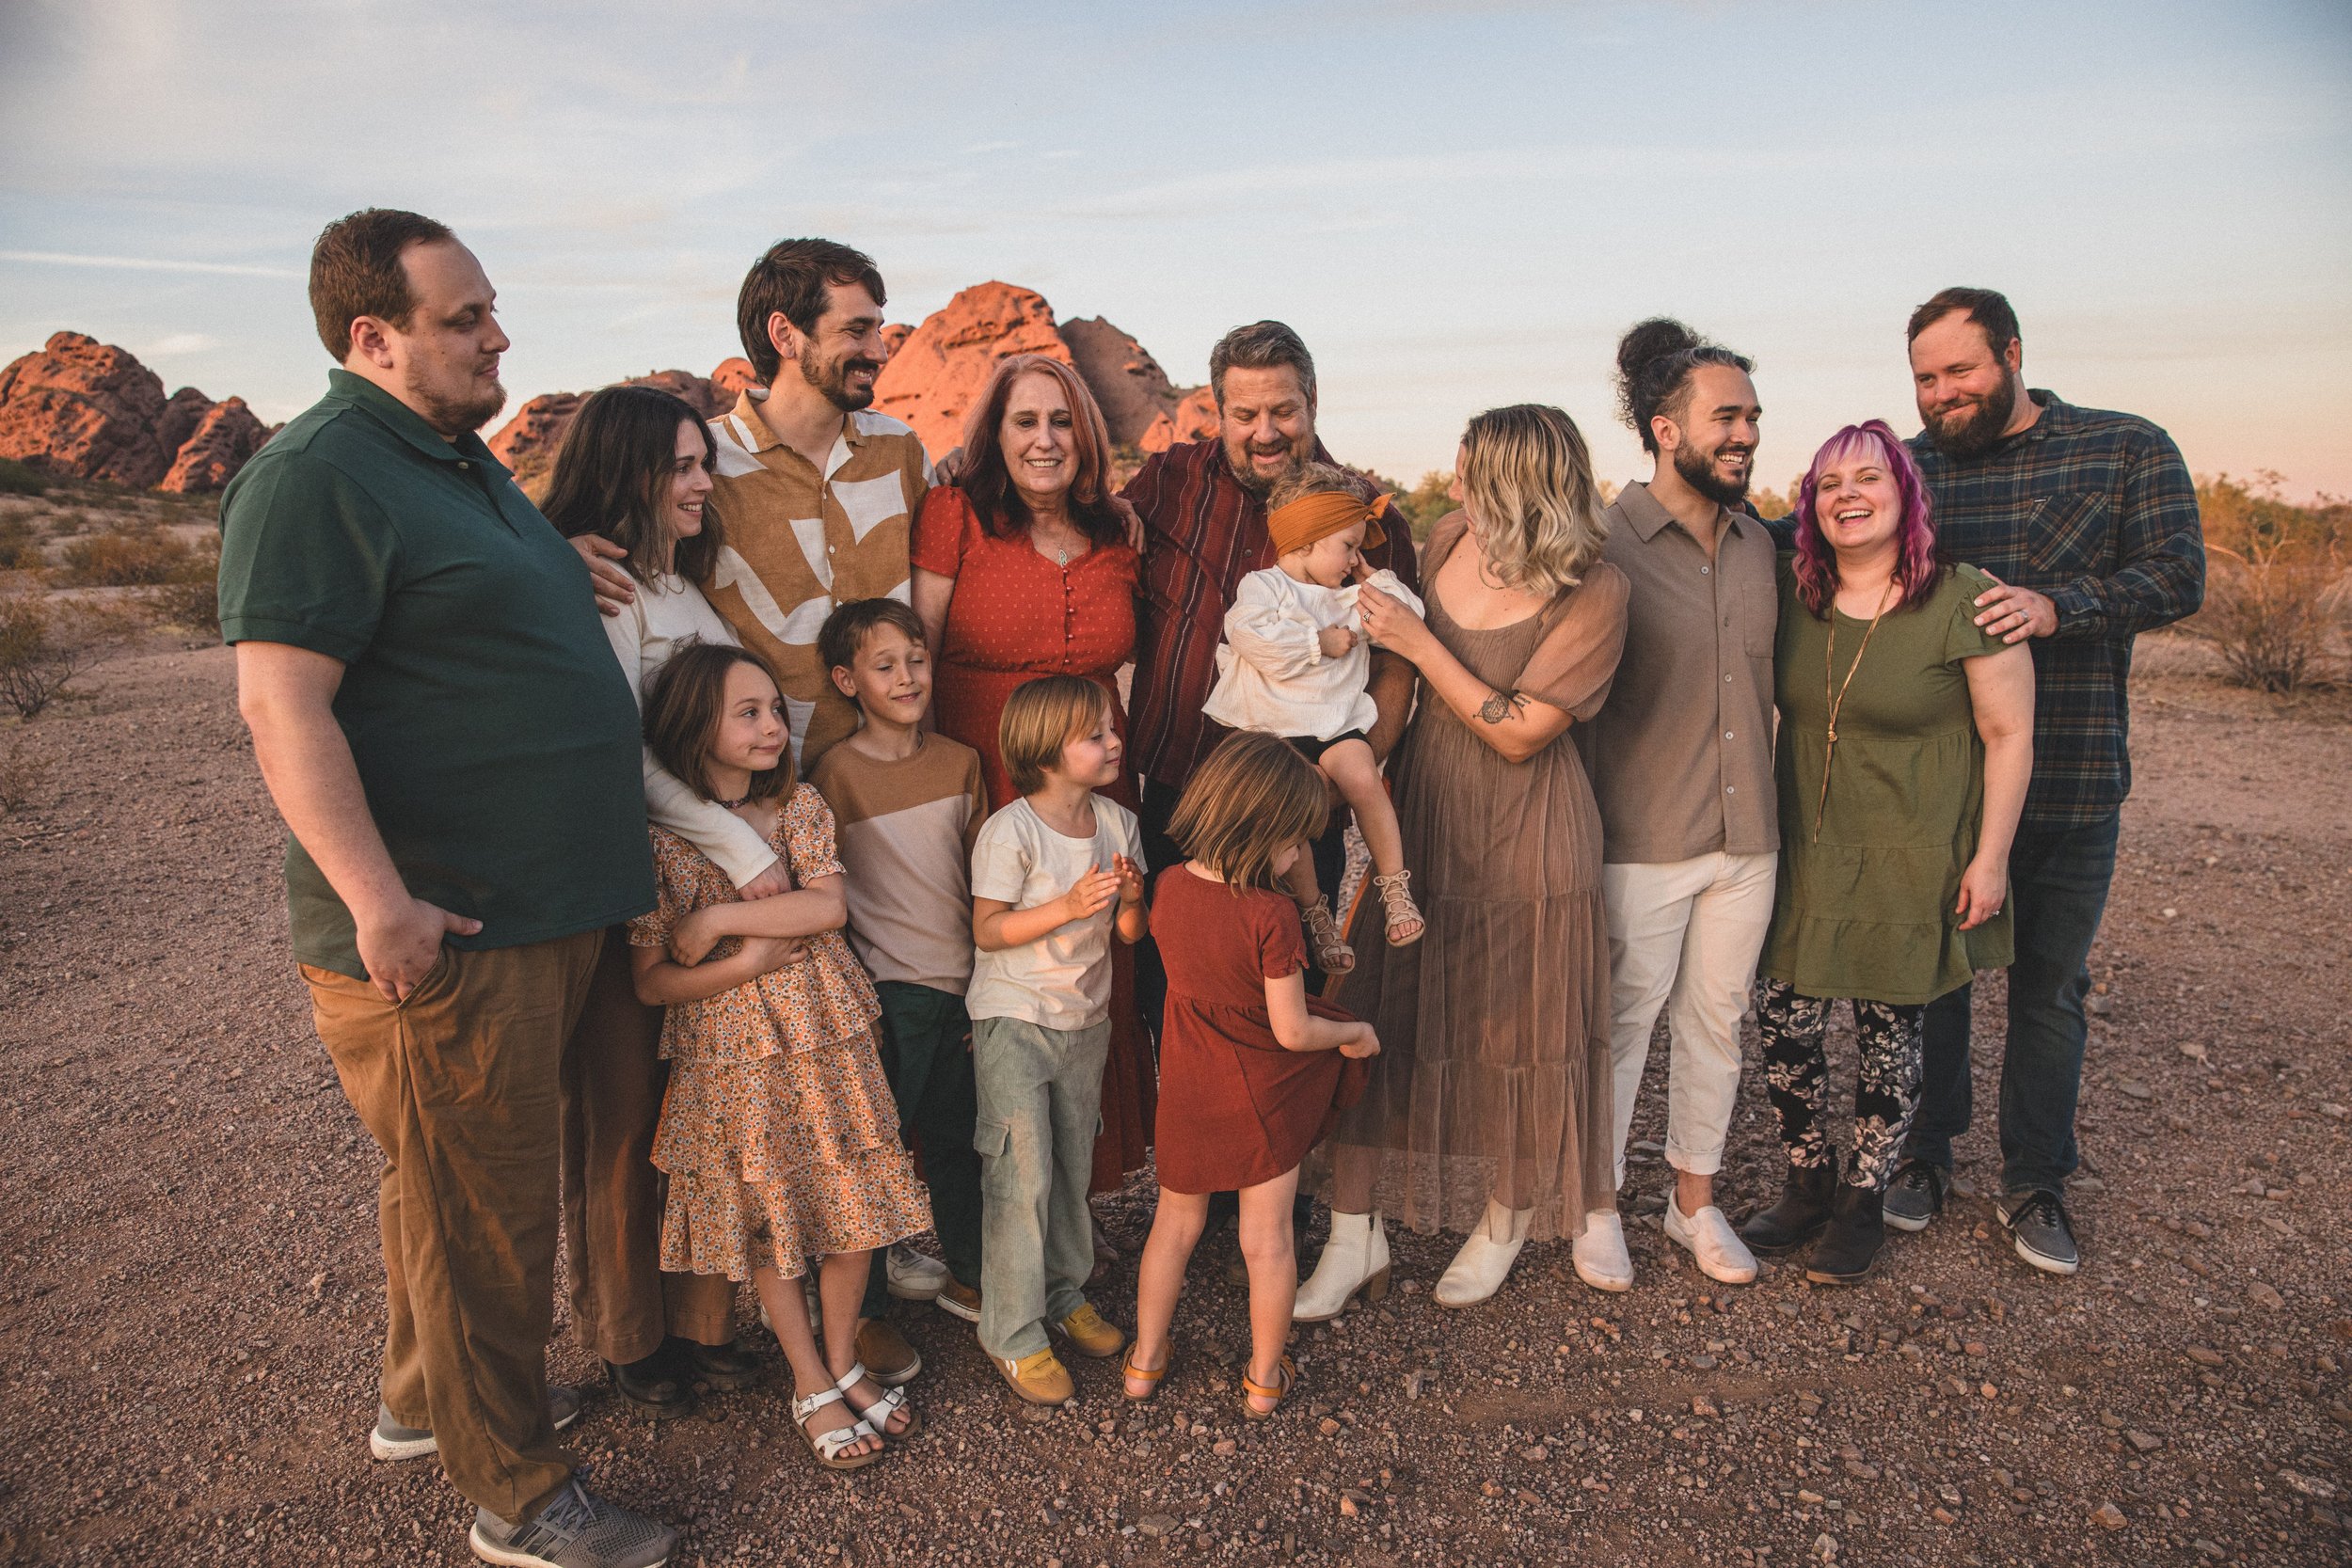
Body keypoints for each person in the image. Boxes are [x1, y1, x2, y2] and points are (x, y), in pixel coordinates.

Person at [218, 208, 675, 1568]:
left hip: (545, 908)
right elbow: (280, 705)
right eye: (465, 318)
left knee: (442, 1181)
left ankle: (425, 1403)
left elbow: (454, 602)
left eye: (491, 309)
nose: (498, 336)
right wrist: (380, 902)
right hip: (455, 924)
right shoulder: (314, 474)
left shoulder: (455, 459)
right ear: (375, 336)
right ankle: (518, 1493)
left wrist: (548, 564)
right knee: (488, 1210)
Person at [1887, 288, 2203, 1276]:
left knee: (2049, 990)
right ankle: (1923, 1153)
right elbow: (1813, 528)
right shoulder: (1908, 470)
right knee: (1933, 984)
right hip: (1942, 791)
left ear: (2013, 353)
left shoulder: (2122, 447)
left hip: (2070, 779)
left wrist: (2060, 606)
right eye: (1926, 378)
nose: (1942, 392)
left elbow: (2178, 574)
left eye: (1960, 370)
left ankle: (2034, 1178)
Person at [1305, 404, 1629, 1316]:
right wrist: (1352, 760)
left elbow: (1523, 730)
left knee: (1519, 1035)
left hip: (1531, 831)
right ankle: (1352, 1233)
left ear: (1521, 488)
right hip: (1424, 810)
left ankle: (1504, 1218)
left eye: (1468, 475)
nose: (1452, 490)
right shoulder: (1449, 537)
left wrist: (1415, 638)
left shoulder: (1595, 588)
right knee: (1376, 1009)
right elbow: (1399, 683)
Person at [1737, 420, 2035, 1285]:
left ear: (1906, 492)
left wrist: (1991, 858)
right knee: (1784, 1022)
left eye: (1868, 477)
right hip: (1809, 844)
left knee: (1887, 1033)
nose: (1848, 495)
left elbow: (2010, 734)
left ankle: (1863, 1199)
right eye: (1829, 484)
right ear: (1811, 506)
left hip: (1914, 847)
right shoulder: (1793, 594)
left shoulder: (1964, 598)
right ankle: (1807, 1179)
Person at [628, 642, 933, 1470]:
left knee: (855, 1202)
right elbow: (653, 982)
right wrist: (748, 963)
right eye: (749, 712)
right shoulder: (657, 840)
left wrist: (719, 922)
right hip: (735, 1061)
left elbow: (826, 908)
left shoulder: (796, 805)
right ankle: (808, 1378)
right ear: (695, 725)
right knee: (773, 1218)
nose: (773, 726)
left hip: (829, 1040)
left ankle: (843, 1357)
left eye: (774, 709)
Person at [538, 383, 760, 1419]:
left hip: (701, 882)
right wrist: (745, 848)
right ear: (624, 470)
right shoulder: (606, 591)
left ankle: (701, 1319)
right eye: (680, 466)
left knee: (699, 1108)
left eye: (704, 462)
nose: (702, 483)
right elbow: (624, 752)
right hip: (630, 883)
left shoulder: (685, 589)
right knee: (622, 1115)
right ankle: (628, 1335)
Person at [910, 355, 1154, 1208]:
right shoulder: (954, 515)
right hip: (984, 779)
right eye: (1025, 421)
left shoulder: (1118, 535)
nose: (1044, 440)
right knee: (990, 978)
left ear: (1086, 437)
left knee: (1088, 973)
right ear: (996, 434)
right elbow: (920, 649)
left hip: (1096, 791)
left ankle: (1072, 1202)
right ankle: (987, 1211)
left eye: (1062, 422)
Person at [1569, 321, 1778, 1294]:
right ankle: (1597, 1202)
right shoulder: (1600, 544)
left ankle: (1693, 1200)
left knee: (1717, 1024)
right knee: (1621, 1025)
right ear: (1665, 429)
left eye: (1753, 417)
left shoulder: (1761, 545)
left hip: (1750, 836)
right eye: (1726, 417)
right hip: (1642, 834)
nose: (1746, 434)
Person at [579, 239, 930, 778]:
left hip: (900, 779)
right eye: (857, 330)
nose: (879, 352)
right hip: (763, 791)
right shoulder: (705, 465)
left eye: (878, 330)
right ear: (785, 334)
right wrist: (563, 552)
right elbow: (622, 549)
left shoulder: (900, 449)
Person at [1122, 320, 1421, 948]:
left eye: (1283, 411)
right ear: (1219, 411)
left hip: (1303, 801)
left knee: (1293, 972)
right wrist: (969, 469)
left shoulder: (1367, 518)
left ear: (1312, 401)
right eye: (1245, 414)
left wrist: (1341, 777)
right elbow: (1089, 529)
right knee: (1170, 980)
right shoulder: (1168, 481)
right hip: (1183, 787)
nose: (1265, 432)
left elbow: (1398, 665)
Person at [1121, 733, 1379, 1418]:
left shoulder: (1170, 886)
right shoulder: (1271, 914)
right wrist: (1352, 1032)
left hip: (1187, 1090)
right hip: (1258, 1095)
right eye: (1294, 842)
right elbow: (1292, 1031)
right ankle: (1265, 1377)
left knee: (1172, 1229)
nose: (1298, 855)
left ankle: (1144, 1362)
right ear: (1261, 833)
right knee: (1266, 1242)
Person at [966, 676, 1149, 1404]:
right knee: (1022, 1175)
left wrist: (1132, 898)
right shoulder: (1009, 831)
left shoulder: (1118, 822)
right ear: (1045, 751)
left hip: (1085, 1021)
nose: (1114, 741)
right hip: (1014, 1018)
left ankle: (1063, 1290)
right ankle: (1011, 1331)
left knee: (1073, 1163)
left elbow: (1129, 933)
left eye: (1111, 728)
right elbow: (988, 930)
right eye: (1095, 734)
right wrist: (1067, 904)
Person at [811, 599, 990, 1331]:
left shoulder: (961, 761)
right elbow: (822, 892)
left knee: (960, 1142)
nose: (908, 676)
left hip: (963, 988)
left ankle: (973, 1276)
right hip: (888, 995)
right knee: (874, 1153)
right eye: (885, 666)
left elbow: (983, 885)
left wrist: (987, 986)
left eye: (916, 659)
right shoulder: (833, 773)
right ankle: (863, 1317)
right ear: (847, 681)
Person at [1201, 463, 1429, 969]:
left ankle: (1395, 889)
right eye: (1348, 547)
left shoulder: (1352, 595)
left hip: (1334, 724)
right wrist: (1316, 642)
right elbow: (1249, 637)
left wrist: (1375, 578)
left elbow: (1409, 619)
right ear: (1305, 540)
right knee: (1291, 817)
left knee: (1364, 780)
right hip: (1274, 732)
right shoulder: (1264, 587)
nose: (1355, 559)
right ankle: (1315, 913)